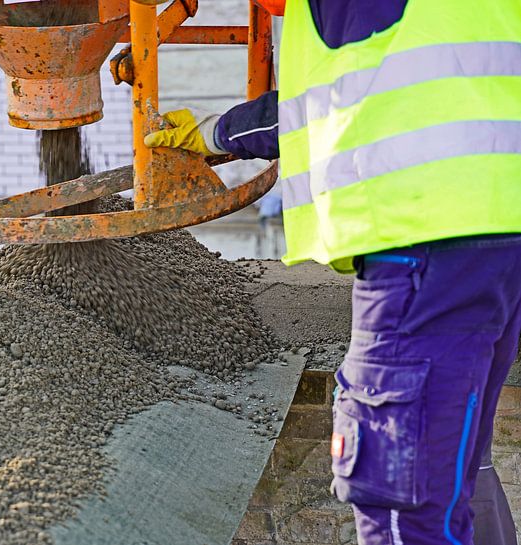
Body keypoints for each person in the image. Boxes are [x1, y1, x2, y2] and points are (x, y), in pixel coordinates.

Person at [144, 1, 521, 544]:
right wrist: (215, 133)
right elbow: (343, 96)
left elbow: (318, 105)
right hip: (498, 231)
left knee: (399, 500)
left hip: (422, 232)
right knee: (453, 468)